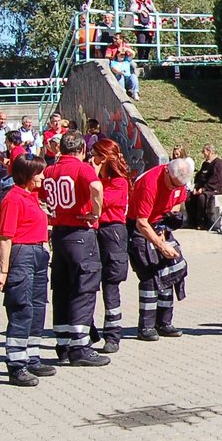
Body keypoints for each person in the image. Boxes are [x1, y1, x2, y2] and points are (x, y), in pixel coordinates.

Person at [44, 133, 108, 367]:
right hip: (81, 233)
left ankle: (62, 344)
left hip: (59, 235)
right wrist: (96, 211)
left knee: (61, 289)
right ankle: (80, 346)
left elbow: (42, 192)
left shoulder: (50, 170)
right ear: (82, 150)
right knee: (84, 289)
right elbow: (96, 187)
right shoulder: (82, 169)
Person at [0, 154, 53, 383]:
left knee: (38, 308)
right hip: (22, 255)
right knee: (22, 308)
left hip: (38, 254)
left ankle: (33, 356)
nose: (42, 177)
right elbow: (5, 237)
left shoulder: (32, 195)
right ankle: (16, 365)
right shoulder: (13, 199)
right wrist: (4, 271)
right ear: (26, 175)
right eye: (38, 173)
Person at [129, 157, 193, 340]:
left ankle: (164, 322)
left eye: (179, 185)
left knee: (170, 272)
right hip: (139, 227)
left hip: (159, 224)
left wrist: (165, 228)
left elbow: (176, 203)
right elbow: (141, 223)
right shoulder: (149, 185)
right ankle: (146, 327)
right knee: (150, 276)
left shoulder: (178, 182)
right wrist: (159, 244)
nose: (174, 188)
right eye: (173, 184)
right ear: (166, 172)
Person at [91, 139, 131, 353]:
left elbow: (101, 202)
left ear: (104, 158)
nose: (92, 159)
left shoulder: (120, 181)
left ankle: (113, 335)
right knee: (87, 282)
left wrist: (93, 178)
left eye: (95, 155)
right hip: (94, 232)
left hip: (113, 232)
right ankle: (89, 331)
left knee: (111, 284)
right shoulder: (95, 178)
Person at [190, 144, 222, 230]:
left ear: (209, 152)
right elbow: (200, 177)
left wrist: (204, 189)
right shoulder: (205, 164)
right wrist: (196, 187)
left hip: (217, 188)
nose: (203, 154)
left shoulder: (218, 163)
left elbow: (215, 180)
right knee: (189, 197)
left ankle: (202, 222)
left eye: (204, 152)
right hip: (204, 187)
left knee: (202, 197)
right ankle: (192, 222)